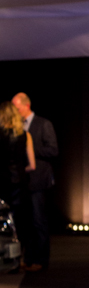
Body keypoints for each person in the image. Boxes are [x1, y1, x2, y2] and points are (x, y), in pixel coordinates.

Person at [11, 92, 58, 271]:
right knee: (26, 222)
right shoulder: (16, 126)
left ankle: (41, 260)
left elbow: (53, 150)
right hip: (23, 181)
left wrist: (28, 148)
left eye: (16, 108)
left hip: (39, 180)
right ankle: (28, 258)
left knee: (39, 220)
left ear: (26, 106)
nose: (15, 112)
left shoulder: (43, 124)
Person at [0, 102, 36, 256]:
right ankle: (19, 257)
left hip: (2, 184)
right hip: (20, 184)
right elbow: (32, 166)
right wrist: (21, 170)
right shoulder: (26, 136)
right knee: (21, 223)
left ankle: (4, 257)